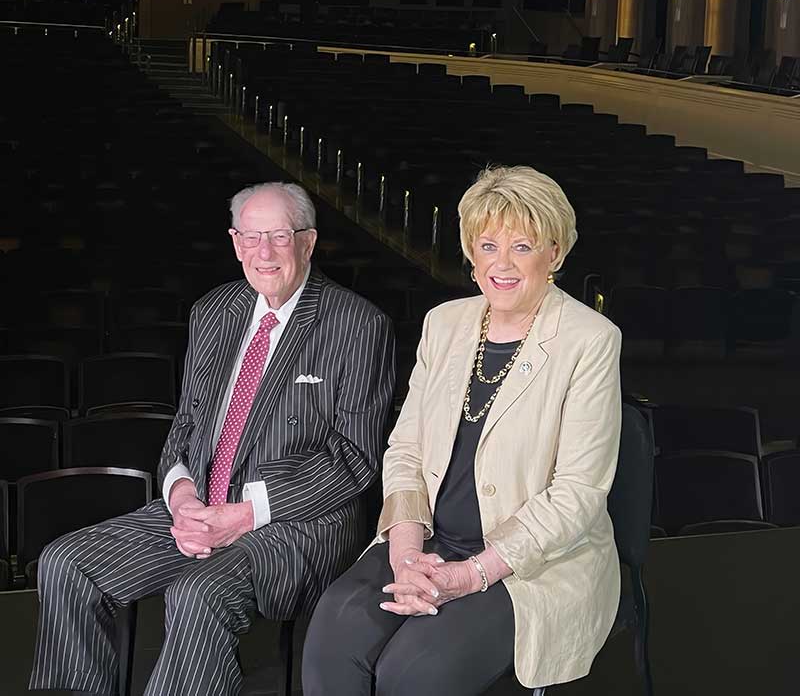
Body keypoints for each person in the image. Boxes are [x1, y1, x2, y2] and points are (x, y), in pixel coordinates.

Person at [29, 182, 396, 696]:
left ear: (308, 242)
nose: (263, 252)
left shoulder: (357, 323)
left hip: (294, 524)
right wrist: (180, 496)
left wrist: (243, 515)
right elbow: (186, 423)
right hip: (199, 504)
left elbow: (354, 459)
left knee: (196, 593)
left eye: (278, 236)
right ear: (234, 242)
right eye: (250, 237)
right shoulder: (213, 311)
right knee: (65, 564)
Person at [302, 165, 622, 695]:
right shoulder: (444, 324)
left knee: (412, 675)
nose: (502, 263)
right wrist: (405, 554)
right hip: (429, 539)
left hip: (527, 562)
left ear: (555, 255)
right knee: (332, 644)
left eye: (523, 246)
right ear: (470, 253)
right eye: (488, 245)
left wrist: (472, 574)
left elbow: (578, 492)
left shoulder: (589, 341)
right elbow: (404, 448)